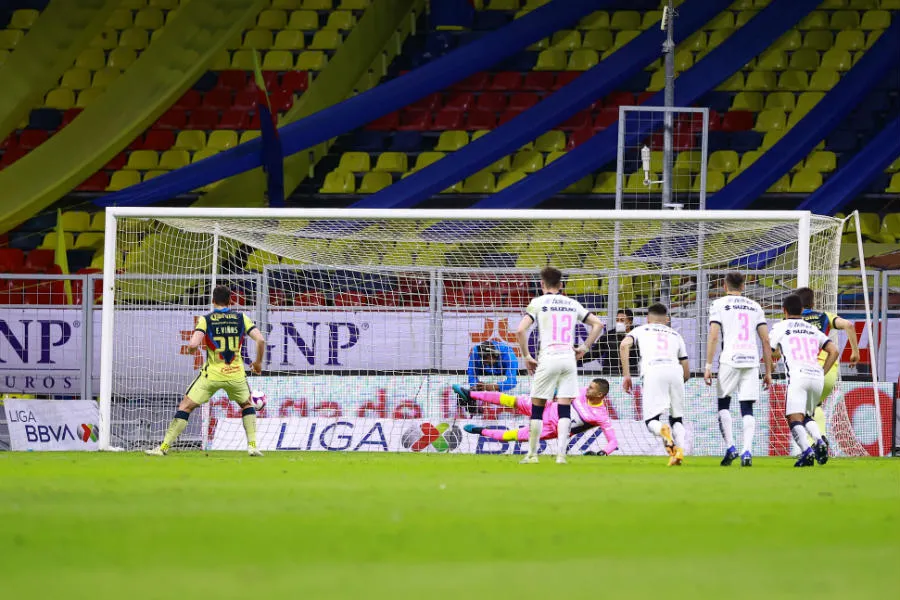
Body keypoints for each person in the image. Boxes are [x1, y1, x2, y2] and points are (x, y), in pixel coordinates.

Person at [146, 285, 266, 457]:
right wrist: (258, 363)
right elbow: (260, 340)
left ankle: (163, 448)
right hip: (236, 374)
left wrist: (191, 350)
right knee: (247, 404)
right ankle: (253, 446)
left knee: (186, 406)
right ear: (230, 300)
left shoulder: (206, 319)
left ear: (213, 300)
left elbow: (193, 344)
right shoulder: (242, 318)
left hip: (212, 375)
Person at [515, 266, 605, 464]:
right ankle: (561, 456)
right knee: (564, 408)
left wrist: (527, 356)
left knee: (537, 407)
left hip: (548, 356)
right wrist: (584, 347)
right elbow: (598, 324)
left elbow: (520, 331)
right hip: (568, 358)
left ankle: (532, 455)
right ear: (561, 285)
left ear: (541, 284)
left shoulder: (538, 302)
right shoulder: (572, 303)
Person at [704, 272, 774, 468]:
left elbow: (714, 336)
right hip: (751, 361)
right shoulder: (755, 306)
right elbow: (766, 341)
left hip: (730, 360)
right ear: (743, 287)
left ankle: (731, 447)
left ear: (725, 287)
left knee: (724, 404)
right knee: (747, 408)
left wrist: (708, 366)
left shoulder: (719, 304)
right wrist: (767, 372)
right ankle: (747, 451)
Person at [453, 379, 619, 455]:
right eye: (588, 386)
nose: (587, 389)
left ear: (600, 394)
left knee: (508, 436)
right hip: (545, 407)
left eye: (591, 388)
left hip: (548, 429)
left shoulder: (601, 416)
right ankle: (470, 394)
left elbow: (613, 442)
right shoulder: (581, 392)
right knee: (510, 400)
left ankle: (480, 430)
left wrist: (603, 452)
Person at [769, 294, 839, 467]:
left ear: (784, 311)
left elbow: (770, 350)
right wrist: (822, 373)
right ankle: (819, 441)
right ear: (802, 310)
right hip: (816, 376)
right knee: (806, 415)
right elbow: (834, 351)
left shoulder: (780, 326)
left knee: (793, 418)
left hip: (798, 376)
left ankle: (807, 451)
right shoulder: (812, 328)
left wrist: (770, 368)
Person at [620, 303, 690, 466]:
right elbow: (686, 369)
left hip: (653, 370)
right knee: (677, 418)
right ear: (666, 319)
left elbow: (624, 345)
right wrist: (679, 381)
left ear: (647, 318)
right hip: (675, 371)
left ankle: (663, 432)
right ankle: (678, 452)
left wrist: (627, 375)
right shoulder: (676, 334)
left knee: (651, 420)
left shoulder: (641, 330)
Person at [795, 286, 860, 414]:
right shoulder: (824, 316)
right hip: (828, 370)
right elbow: (849, 325)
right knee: (814, 408)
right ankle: (821, 434)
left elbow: (778, 350)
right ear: (813, 304)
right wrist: (855, 352)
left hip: (806, 370)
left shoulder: (791, 320)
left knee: (800, 413)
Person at [581, 308, 637, 373]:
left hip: (631, 374)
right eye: (617, 320)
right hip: (610, 374)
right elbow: (594, 353)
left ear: (630, 323)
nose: (619, 322)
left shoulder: (637, 336)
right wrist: (577, 358)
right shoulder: (608, 336)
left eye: (622, 320)